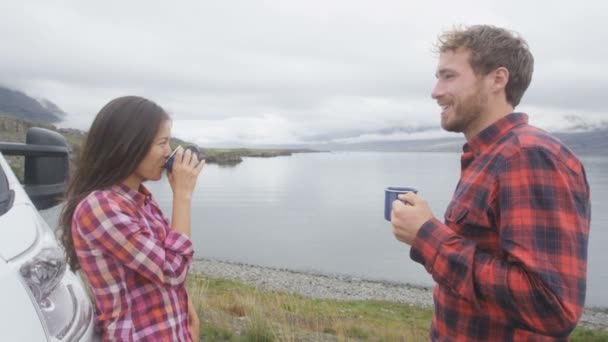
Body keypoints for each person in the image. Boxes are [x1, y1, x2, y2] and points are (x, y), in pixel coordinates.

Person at [390, 25, 590, 341]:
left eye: (449, 76)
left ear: (497, 79)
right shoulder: (490, 155)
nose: (435, 91)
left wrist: (427, 235)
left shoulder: (527, 155)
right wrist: (426, 236)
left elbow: (550, 306)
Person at [59, 96, 205, 341]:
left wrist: (188, 317)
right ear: (129, 145)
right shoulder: (99, 208)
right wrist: (183, 194)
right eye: (163, 142)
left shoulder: (141, 200)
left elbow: (164, 260)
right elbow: (172, 271)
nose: (169, 152)